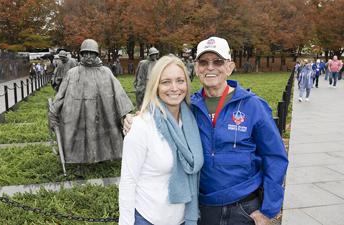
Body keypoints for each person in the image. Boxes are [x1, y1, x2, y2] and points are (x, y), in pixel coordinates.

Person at [124, 36, 288, 225]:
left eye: (217, 61)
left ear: (230, 67)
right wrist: (132, 119)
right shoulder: (188, 107)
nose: (210, 67)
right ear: (196, 68)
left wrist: (268, 210)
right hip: (203, 210)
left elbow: (275, 157)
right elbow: (161, 115)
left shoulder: (253, 106)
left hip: (245, 209)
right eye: (203, 62)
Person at [119, 55, 204, 225]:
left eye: (180, 80)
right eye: (166, 82)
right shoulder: (141, 126)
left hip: (183, 218)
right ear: (155, 85)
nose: (174, 88)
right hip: (148, 218)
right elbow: (128, 182)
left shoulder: (192, 121)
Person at [48, 39, 133, 171]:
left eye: (91, 53)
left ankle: (102, 157)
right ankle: (79, 161)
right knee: (80, 135)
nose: (88, 57)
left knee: (102, 133)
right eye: (85, 53)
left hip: (102, 112)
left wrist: (125, 113)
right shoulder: (73, 73)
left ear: (97, 54)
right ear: (81, 54)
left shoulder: (106, 72)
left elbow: (119, 92)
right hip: (79, 113)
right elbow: (61, 95)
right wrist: (54, 111)